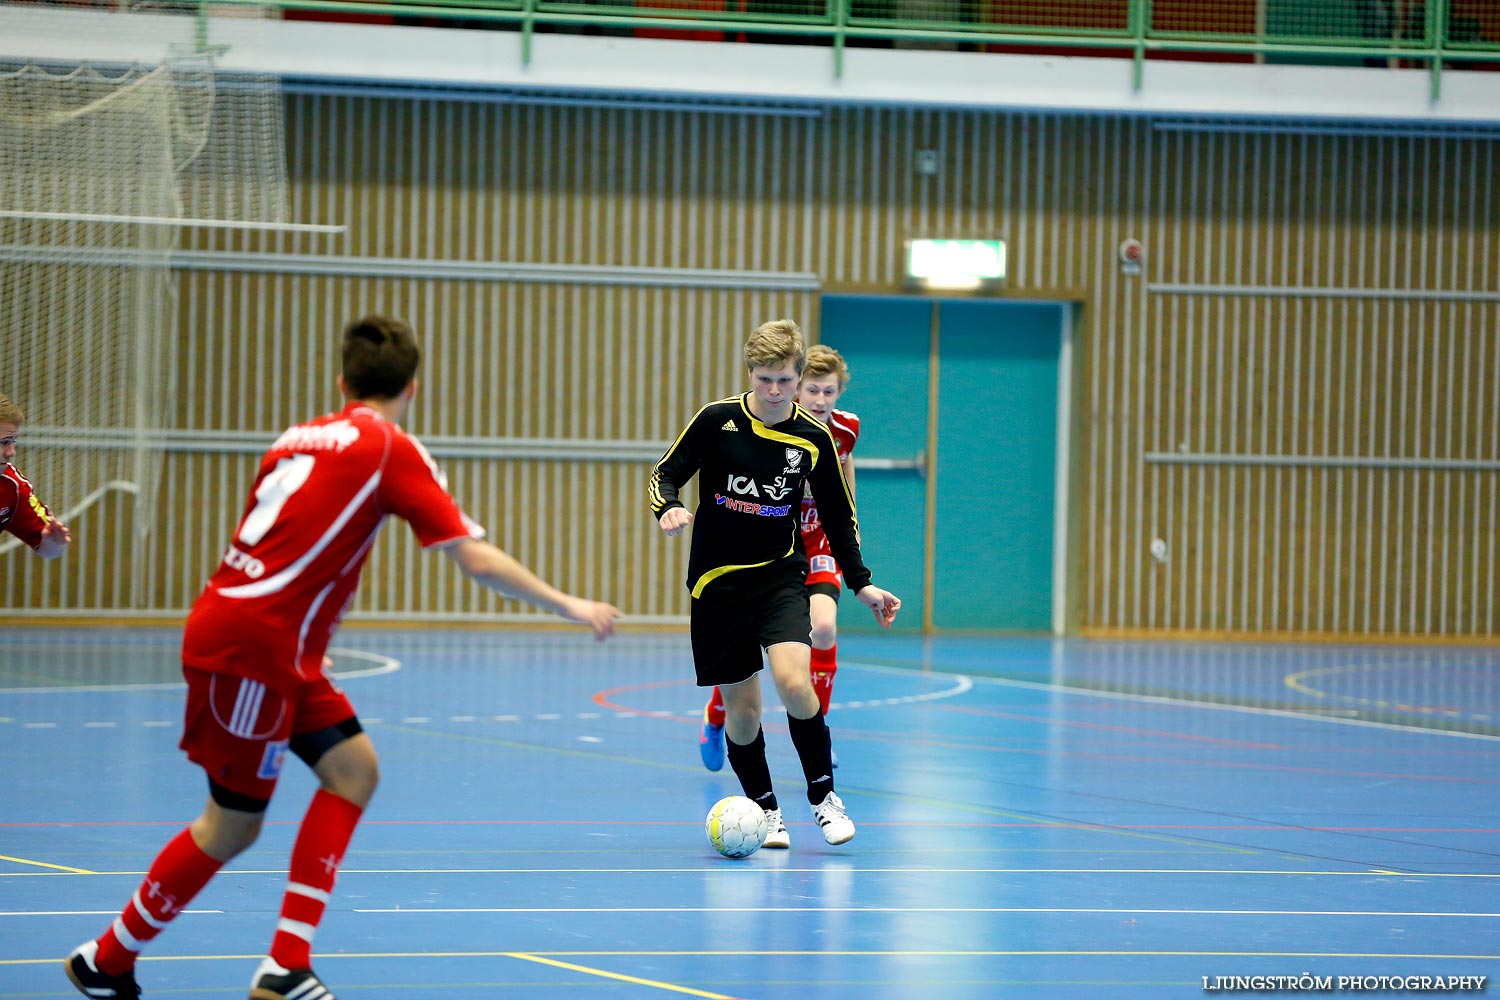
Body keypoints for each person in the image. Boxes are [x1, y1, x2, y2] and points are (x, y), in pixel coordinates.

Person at [65, 316, 623, 1000]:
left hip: (271, 646)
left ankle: (284, 963)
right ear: (413, 387)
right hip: (254, 650)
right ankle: (108, 959)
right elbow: (470, 555)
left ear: (342, 382)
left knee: (354, 769)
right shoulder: (391, 448)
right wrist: (568, 603)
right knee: (231, 824)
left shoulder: (295, 436)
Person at [650, 319, 899, 849]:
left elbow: (839, 515)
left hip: (780, 579)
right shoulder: (717, 421)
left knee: (792, 682)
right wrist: (668, 507)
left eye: (785, 380)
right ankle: (766, 812)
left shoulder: (812, 439)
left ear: (797, 376)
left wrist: (862, 584)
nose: (775, 391)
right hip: (716, 587)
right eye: (765, 379)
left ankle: (824, 799)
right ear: (750, 373)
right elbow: (664, 474)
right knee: (743, 711)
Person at [697, 345, 858, 771]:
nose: (820, 401)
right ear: (796, 390)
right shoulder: (774, 425)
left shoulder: (843, 431)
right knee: (745, 650)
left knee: (822, 627)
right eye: (812, 391)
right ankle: (717, 716)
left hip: (817, 541)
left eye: (829, 392)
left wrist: (847, 538)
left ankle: (817, 725)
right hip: (778, 545)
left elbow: (844, 481)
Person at [0, 393, 71, 559]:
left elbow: (51, 551)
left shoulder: (13, 487)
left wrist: (52, 540)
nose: (11, 452)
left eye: (13, 442)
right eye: (4, 442)